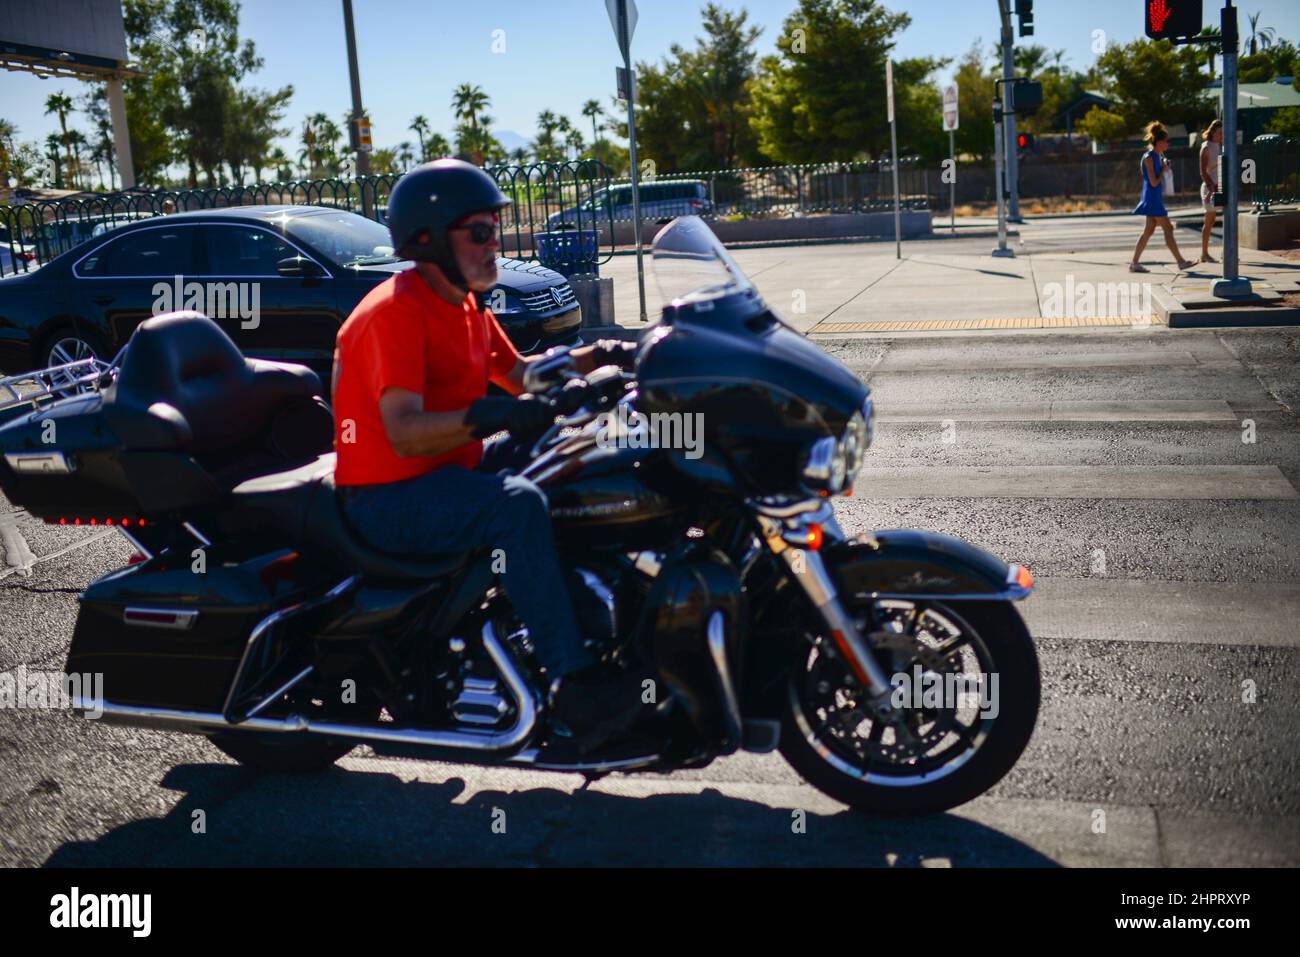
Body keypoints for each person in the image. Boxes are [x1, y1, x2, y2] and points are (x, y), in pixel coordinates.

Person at [330, 158, 643, 753]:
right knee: (517, 505)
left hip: (445, 473)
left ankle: (596, 620)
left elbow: (521, 373)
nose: (494, 243)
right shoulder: (395, 311)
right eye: (479, 231)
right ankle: (574, 685)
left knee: (568, 455)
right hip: (387, 496)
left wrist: (606, 354)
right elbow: (405, 433)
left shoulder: (464, 303)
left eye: (495, 229)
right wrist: (488, 415)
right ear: (427, 240)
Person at [1129, 121, 1194, 274]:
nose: (1168, 143)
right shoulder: (1149, 157)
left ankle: (1134, 263)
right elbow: (1153, 181)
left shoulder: (1156, 156)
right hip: (1152, 198)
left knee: (1148, 231)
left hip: (1153, 197)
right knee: (1168, 228)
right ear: (1159, 142)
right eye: (1166, 141)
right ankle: (1181, 262)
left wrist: (1163, 166)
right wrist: (1164, 170)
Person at [1198, 119, 1223, 264]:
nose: (1222, 135)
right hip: (1210, 188)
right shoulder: (1206, 147)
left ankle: (1227, 251)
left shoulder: (1220, 146)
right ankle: (1204, 254)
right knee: (1209, 220)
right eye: (1220, 132)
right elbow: (1202, 171)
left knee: (1224, 218)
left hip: (1221, 186)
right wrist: (1212, 187)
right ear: (1213, 132)